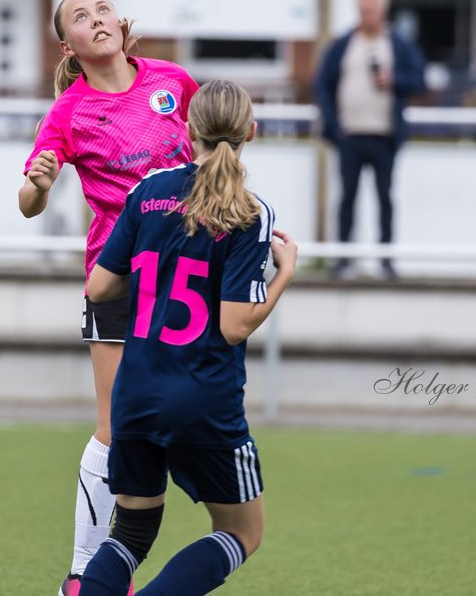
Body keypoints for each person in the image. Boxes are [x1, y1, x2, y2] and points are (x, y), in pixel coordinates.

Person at [78, 79, 298, 596]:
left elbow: (99, 286)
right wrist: (284, 275)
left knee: (130, 533)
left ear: (186, 129)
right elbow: (234, 325)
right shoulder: (249, 211)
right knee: (242, 532)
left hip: (136, 394)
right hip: (203, 400)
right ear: (250, 132)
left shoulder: (147, 193)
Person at [19, 0, 199, 596]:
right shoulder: (68, 113)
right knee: (115, 425)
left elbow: (210, 156)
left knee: (174, 419)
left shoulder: (173, 80)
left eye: (102, 9)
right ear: (68, 46)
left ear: (120, 24)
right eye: (80, 16)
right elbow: (27, 201)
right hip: (116, 277)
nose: (97, 19)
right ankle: (83, 573)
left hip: (185, 278)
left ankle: (119, 559)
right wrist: (39, 185)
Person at [313, 0, 425, 278]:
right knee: (346, 198)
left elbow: (420, 80)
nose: (367, 16)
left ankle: (386, 260)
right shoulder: (342, 45)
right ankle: (342, 259)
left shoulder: (398, 44)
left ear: (383, 10)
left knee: (385, 198)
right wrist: (334, 126)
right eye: (363, 11)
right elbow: (322, 84)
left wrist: (394, 80)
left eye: (372, 11)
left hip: (385, 136)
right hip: (349, 136)